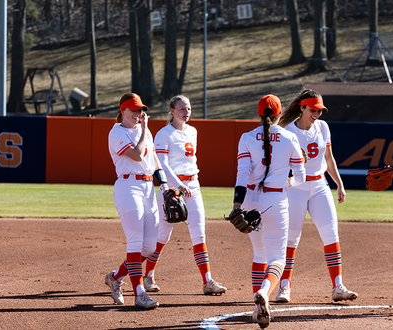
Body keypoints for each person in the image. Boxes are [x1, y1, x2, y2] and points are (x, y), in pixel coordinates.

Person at [274, 89, 358, 303]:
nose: (317, 114)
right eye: (313, 110)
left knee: (331, 235)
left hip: (320, 185)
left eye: (320, 110)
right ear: (302, 108)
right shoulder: (286, 131)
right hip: (296, 189)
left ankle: (338, 287)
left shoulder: (323, 127)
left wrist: (339, 183)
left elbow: (329, 158)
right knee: (291, 239)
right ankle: (284, 287)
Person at [230, 94, 306, 328]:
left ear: (259, 112)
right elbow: (301, 178)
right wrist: (286, 182)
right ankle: (265, 291)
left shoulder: (247, 137)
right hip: (276, 200)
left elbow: (242, 175)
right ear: (280, 113)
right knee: (277, 258)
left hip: (251, 199)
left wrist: (237, 205)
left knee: (259, 256)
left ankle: (257, 310)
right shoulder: (290, 137)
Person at [142, 95, 226, 295]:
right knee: (161, 236)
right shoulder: (164, 134)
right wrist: (178, 184)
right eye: (182, 109)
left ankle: (207, 281)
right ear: (172, 110)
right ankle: (145, 275)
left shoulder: (193, 131)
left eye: (188, 109)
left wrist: (187, 184)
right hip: (171, 189)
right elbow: (162, 164)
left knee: (199, 233)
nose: (186, 112)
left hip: (193, 185)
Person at [105, 93, 168, 309]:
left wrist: (165, 183)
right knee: (135, 242)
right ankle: (139, 293)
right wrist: (144, 131)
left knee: (149, 247)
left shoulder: (144, 131)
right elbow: (138, 155)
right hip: (128, 187)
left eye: (141, 110)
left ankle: (114, 277)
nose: (139, 114)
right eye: (133, 110)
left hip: (148, 187)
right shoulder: (117, 132)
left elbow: (154, 159)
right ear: (122, 111)